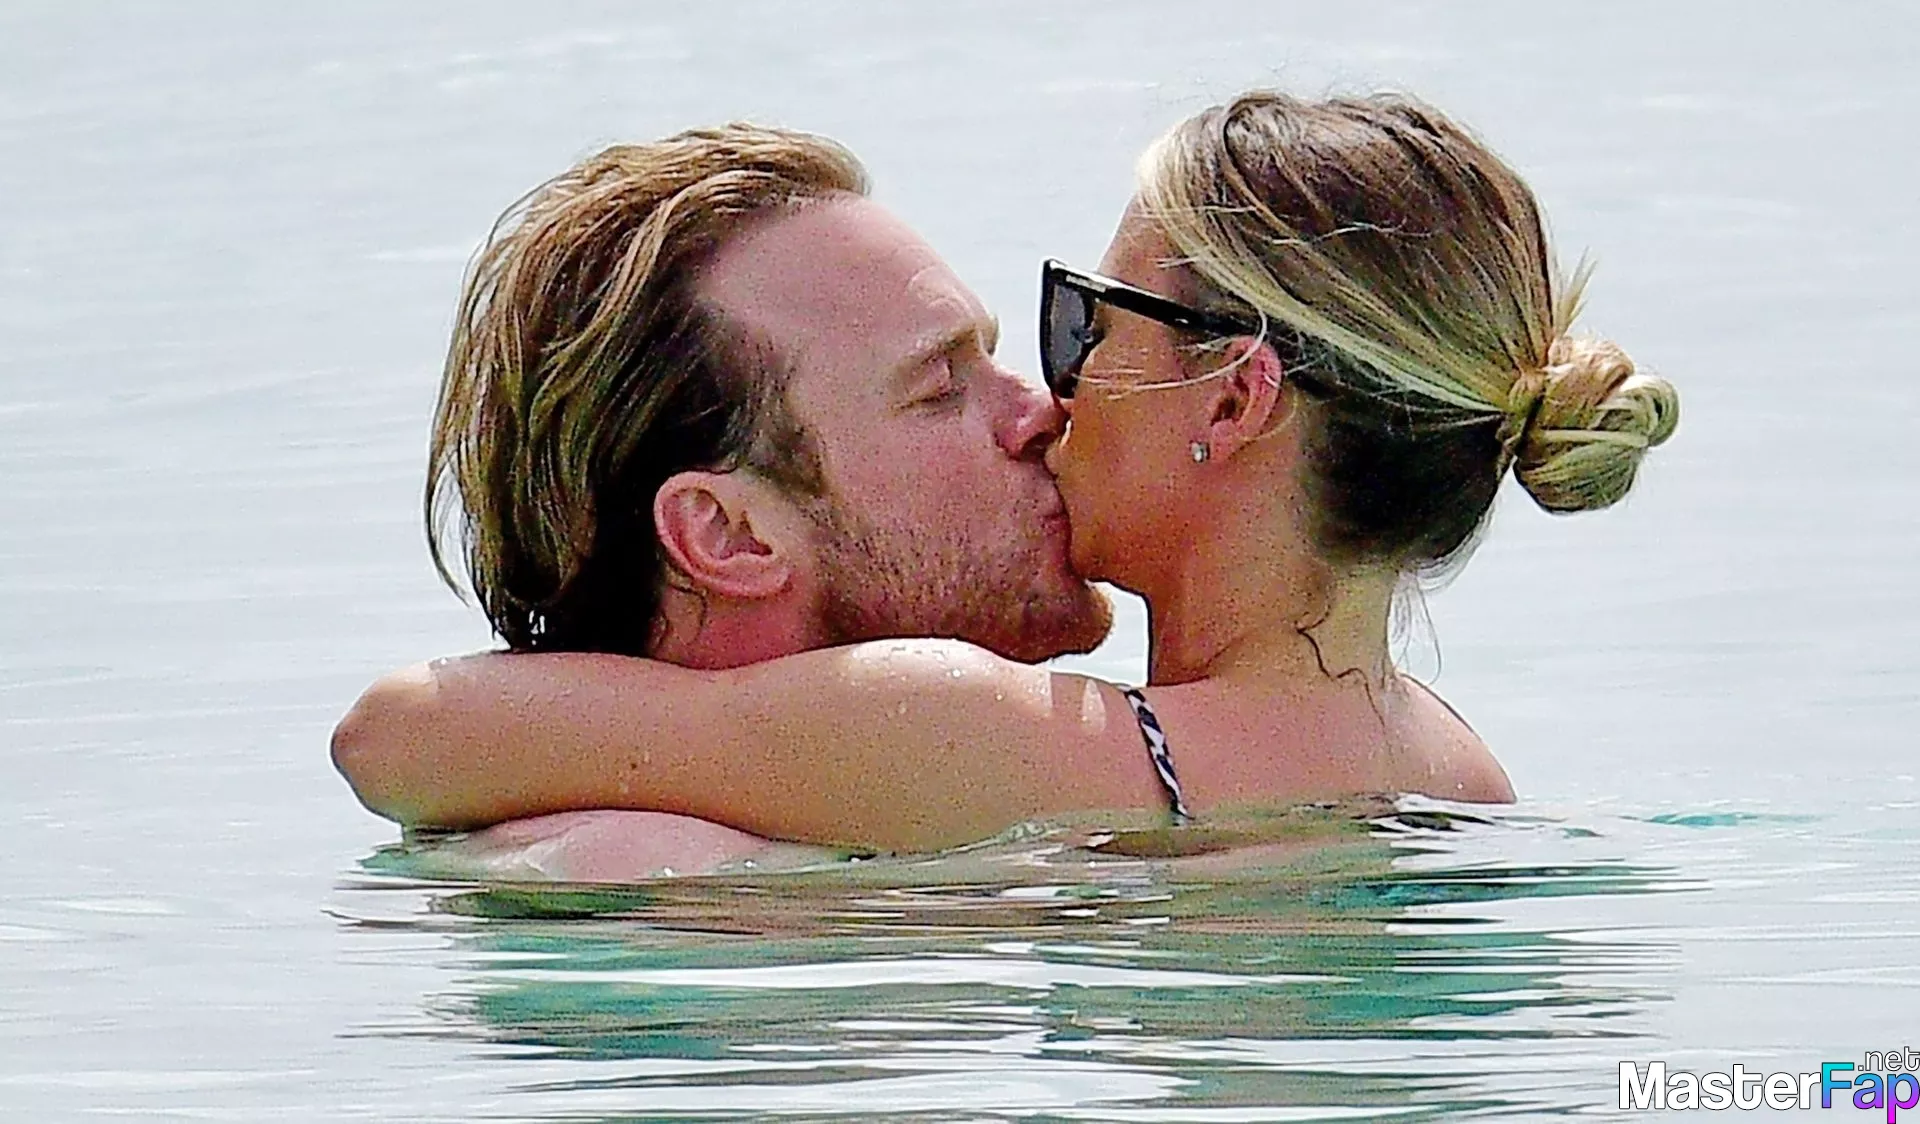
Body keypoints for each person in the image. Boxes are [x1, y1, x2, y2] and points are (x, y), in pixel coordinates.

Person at [334, 91, 1677, 857]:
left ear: (1235, 395)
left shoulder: (980, 743)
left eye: (1086, 328)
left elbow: (394, 734)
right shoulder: (1461, 777)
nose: (1047, 401)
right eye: (944, 383)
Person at [339, 122, 1112, 874]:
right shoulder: (658, 878)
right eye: (940, 387)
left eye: (990, 356)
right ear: (728, 534)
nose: (1044, 410)